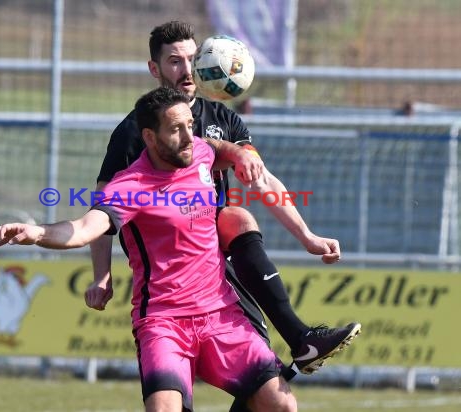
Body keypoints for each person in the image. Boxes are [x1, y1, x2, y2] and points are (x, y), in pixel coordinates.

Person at [0, 87, 297, 412]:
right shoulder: (130, 186)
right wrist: (38, 232)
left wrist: (238, 153)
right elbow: (84, 228)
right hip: (164, 322)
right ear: (150, 137)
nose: (188, 136)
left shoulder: (198, 153)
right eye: (176, 129)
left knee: (281, 404)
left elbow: (214, 148)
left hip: (220, 314)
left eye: (190, 125)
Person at [86, 21, 360, 378]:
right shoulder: (135, 131)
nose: (186, 70)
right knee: (261, 377)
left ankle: (300, 338)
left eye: (192, 58)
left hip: (216, 255)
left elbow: (261, 178)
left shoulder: (223, 119)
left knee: (266, 377)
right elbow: (101, 206)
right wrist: (101, 276)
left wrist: (306, 236)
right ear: (154, 69)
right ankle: (300, 338)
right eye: (174, 61)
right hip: (171, 270)